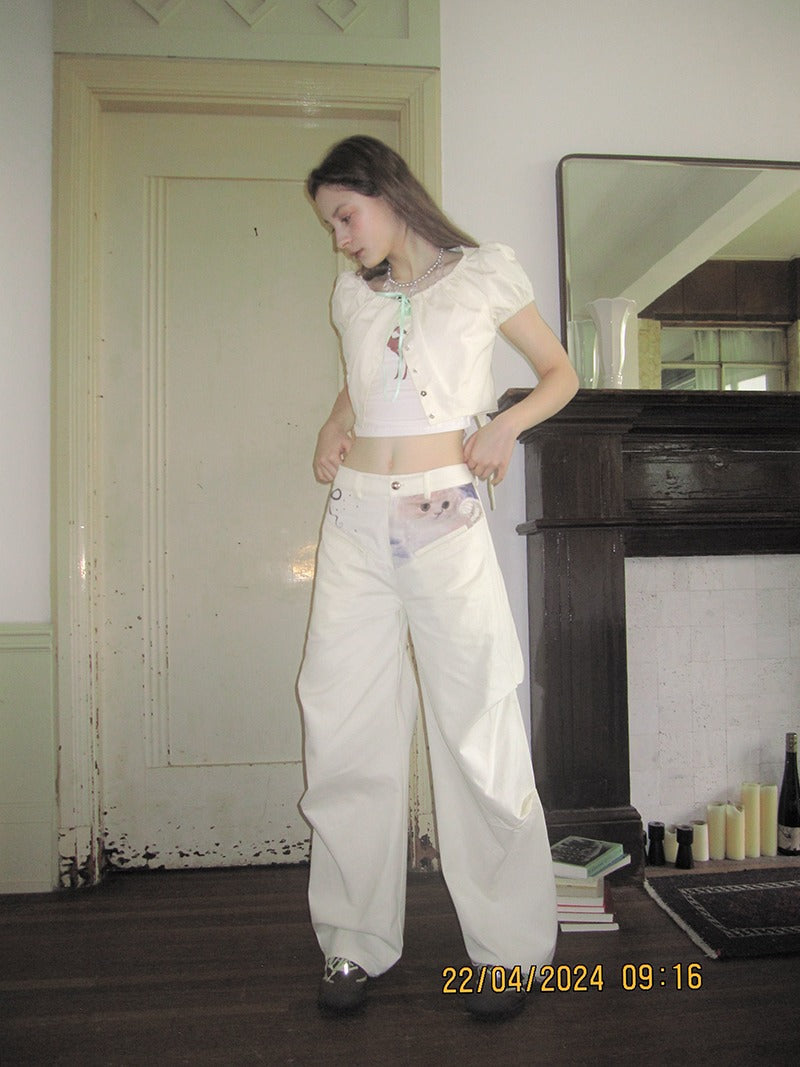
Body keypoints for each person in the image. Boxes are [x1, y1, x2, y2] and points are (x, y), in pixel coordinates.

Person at [297, 135, 579, 1018]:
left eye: (346, 216)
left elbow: (560, 374)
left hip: (440, 517)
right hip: (353, 519)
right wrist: (333, 423)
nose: (341, 237)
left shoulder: (483, 273)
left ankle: (510, 948)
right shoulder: (353, 293)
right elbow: (365, 379)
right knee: (343, 728)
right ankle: (353, 941)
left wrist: (505, 425)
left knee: (476, 725)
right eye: (331, 225)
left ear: (387, 193)